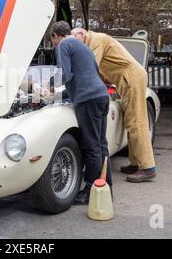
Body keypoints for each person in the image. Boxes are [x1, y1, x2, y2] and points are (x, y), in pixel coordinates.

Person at [72, 27, 156, 183]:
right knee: (131, 121)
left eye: (74, 41)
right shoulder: (96, 40)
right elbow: (102, 70)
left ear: (81, 34)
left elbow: (91, 68)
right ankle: (135, 163)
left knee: (136, 122)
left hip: (131, 78)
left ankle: (147, 167)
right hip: (129, 78)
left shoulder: (96, 40)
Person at [51, 21, 111, 205]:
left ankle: (90, 189)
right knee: (101, 144)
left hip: (88, 101)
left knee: (91, 146)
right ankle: (105, 186)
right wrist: (61, 94)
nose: (53, 43)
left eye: (52, 39)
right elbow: (86, 75)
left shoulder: (63, 45)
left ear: (55, 35)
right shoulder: (82, 46)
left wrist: (49, 85)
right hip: (101, 96)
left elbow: (66, 75)